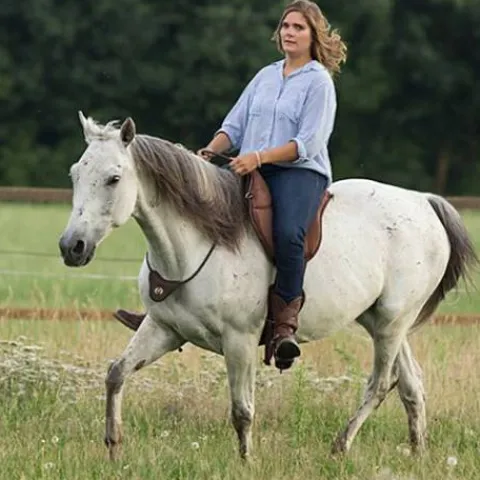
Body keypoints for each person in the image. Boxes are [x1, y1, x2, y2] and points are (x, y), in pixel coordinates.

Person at [114, 0, 347, 369]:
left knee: (289, 234)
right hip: (250, 169)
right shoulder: (265, 76)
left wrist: (259, 158)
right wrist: (209, 151)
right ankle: (167, 312)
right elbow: (234, 127)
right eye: (286, 26)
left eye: (299, 27)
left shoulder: (319, 81)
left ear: (313, 35)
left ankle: (284, 326)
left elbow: (309, 143)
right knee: (194, 215)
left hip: (299, 173)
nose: (289, 32)